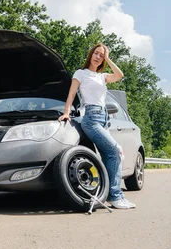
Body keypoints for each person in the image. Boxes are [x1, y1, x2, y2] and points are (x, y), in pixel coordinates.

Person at [58, 44, 136, 209]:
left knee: (112, 155)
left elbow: (119, 75)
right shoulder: (81, 73)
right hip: (91, 119)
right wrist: (66, 112)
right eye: (96, 53)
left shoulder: (102, 77)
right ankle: (115, 196)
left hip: (104, 118)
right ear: (90, 54)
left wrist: (108, 58)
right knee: (115, 150)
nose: (98, 56)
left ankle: (109, 193)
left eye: (101, 55)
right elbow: (71, 94)